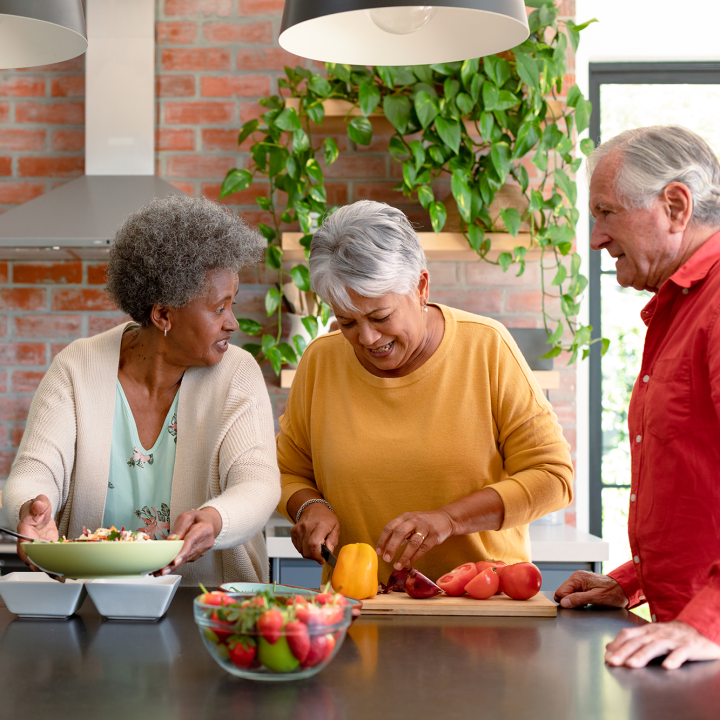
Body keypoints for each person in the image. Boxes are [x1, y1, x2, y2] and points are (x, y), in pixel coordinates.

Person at [276, 200, 573, 587]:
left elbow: (553, 478)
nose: (366, 338)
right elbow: (285, 472)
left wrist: (450, 519)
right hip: (361, 606)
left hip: (479, 606)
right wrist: (309, 507)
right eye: (347, 321)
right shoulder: (321, 360)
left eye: (381, 317)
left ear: (420, 287)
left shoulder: (486, 347)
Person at [4, 195, 281, 585]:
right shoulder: (76, 366)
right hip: (89, 602)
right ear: (163, 315)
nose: (232, 323)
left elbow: (259, 483)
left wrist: (216, 519)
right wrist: (32, 508)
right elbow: (35, 470)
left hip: (203, 603)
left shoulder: (238, 374)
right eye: (219, 308)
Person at [555, 126, 720, 669]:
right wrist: (629, 581)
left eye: (606, 212)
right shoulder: (680, 305)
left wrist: (705, 625)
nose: (596, 238)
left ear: (675, 205)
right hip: (684, 639)